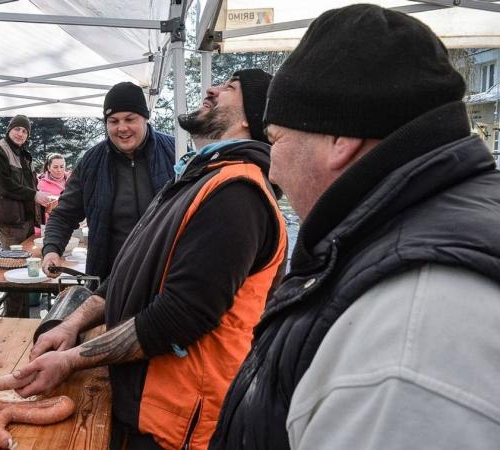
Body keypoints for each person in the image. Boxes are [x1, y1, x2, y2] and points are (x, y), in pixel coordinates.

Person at [210, 5, 500, 450]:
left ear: (339, 140)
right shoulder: (405, 237)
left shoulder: (410, 335)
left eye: (276, 141)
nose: (273, 171)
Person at [15, 70, 287, 449]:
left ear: (248, 118)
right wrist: (70, 324)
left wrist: (73, 359)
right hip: (147, 402)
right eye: (114, 120)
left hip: (181, 421)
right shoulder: (199, 176)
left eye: (229, 88)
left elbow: (176, 318)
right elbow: (131, 270)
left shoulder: (236, 194)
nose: (212, 88)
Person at [41, 82, 175, 282]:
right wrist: (52, 249)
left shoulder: (175, 152)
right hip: (109, 276)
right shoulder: (91, 161)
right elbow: (64, 214)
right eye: (113, 121)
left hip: (166, 275)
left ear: (145, 118)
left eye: (130, 119)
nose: (122, 128)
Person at [0, 115, 51, 317]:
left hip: (24, 220)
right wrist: (34, 195)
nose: (20, 134)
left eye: (24, 131)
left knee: (25, 267)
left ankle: (22, 316)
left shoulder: (22, 154)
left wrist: (40, 201)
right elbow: (1, 185)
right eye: (17, 129)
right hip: (9, 220)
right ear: (9, 129)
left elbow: (29, 184)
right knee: (14, 271)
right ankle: (13, 318)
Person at [36, 152, 70, 224]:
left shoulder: (72, 180)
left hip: (72, 221)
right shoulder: (41, 184)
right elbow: (40, 210)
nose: (59, 170)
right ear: (49, 167)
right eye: (55, 167)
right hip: (51, 223)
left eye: (62, 166)